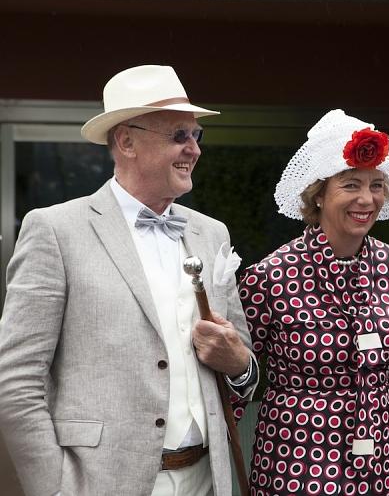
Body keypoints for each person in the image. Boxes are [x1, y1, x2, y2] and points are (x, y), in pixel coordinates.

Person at [0, 65, 258, 496]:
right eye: (179, 135)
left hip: (205, 480)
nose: (194, 149)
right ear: (126, 140)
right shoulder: (55, 229)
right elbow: (15, 378)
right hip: (101, 483)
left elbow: (244, 367)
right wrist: (55, 487)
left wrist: (238, 362)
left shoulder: (211, 233)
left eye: (198, 136)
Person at [235, 109, 389, 496]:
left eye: (377, 185)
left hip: (379, 475)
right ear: (319, 193)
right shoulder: (271, 276)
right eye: (351, 185)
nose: (367, 199)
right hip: (294, 467)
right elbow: (237, 383)